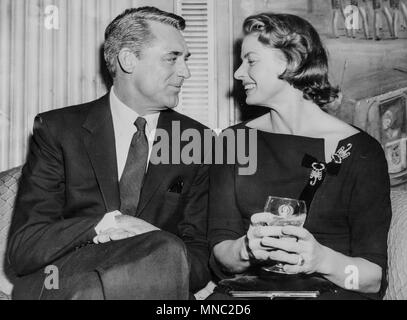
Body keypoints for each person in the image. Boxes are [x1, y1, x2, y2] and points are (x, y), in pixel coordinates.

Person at [7, 6, 211, 300]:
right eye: (172, 58)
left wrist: (151, 241)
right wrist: (109, 224)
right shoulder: (58, 129)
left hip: (157, 283)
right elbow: (24, 248)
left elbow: (199, 259)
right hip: (65, 280)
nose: (186, 72)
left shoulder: (196, 140)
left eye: (186, 60)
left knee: (163, 250)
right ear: (128, 60)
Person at [208, 13, 391, 300]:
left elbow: (371, 279)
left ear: (291, 61)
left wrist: (321, 260)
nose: (238, 73)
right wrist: (246, 248)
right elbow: (221, 255)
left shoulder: (360, 151)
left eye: (251, 60)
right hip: (246, 295)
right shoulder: (232, 142)